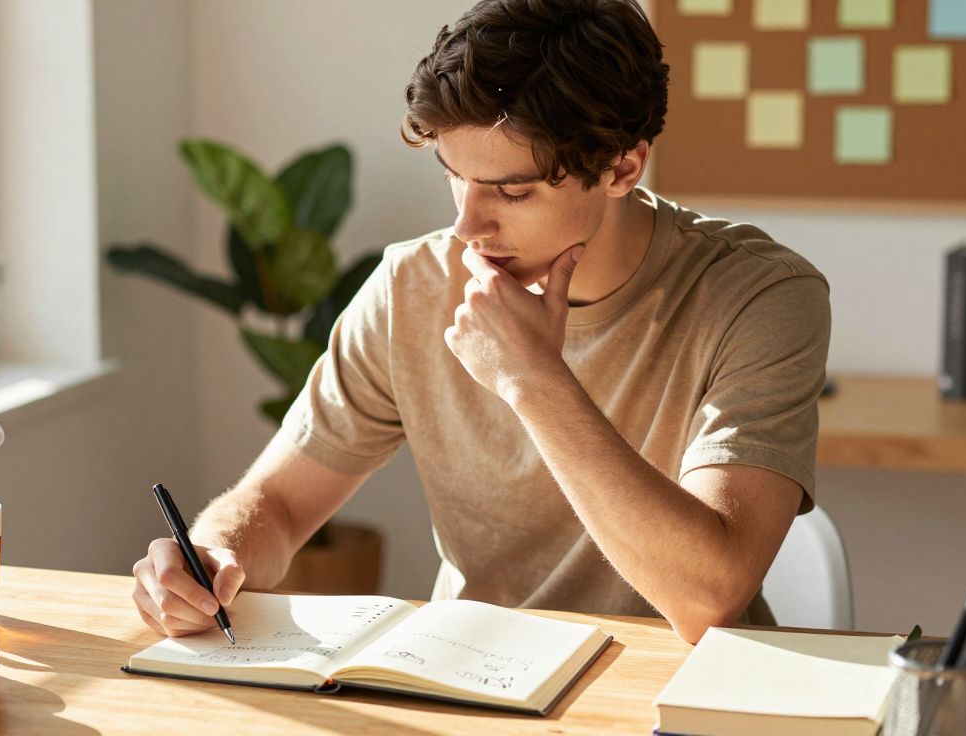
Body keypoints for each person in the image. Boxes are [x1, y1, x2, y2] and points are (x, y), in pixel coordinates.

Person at [131, 0, 830, 645]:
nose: (466, 227)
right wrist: (214, 553)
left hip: (680, 688)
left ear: (623, 167)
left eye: (512, 192)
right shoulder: (412, 286)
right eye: (454, 177)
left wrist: (532, 378)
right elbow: (279, 504)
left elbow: (708, 599)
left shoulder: (760, 296)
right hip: (476, 680)